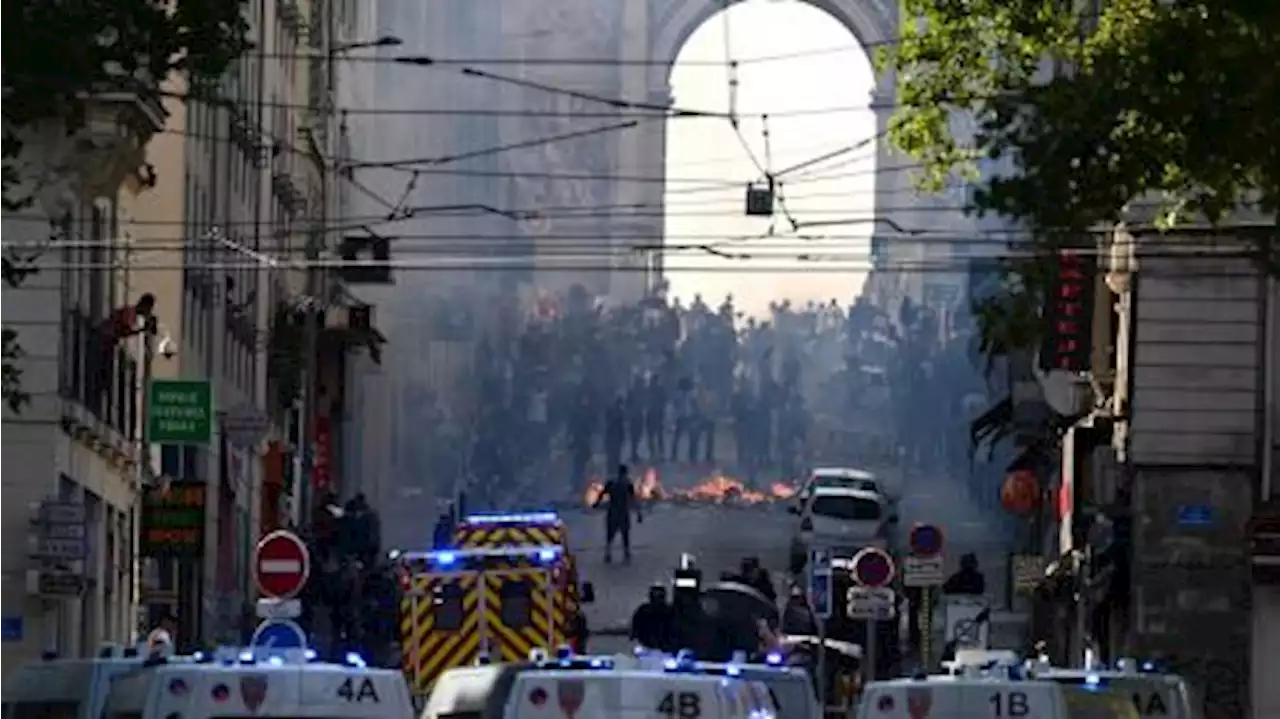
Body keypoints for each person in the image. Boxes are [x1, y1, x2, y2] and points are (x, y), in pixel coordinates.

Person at [593, 464, 643, 563]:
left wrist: (597, 504)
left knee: (610, 534)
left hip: (613, 511)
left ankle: (608, 553)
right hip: (623, 511)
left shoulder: (611, 483)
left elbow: (602, 493)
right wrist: (639, 513)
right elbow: (633, 499)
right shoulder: (628, 484)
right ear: (625, 473)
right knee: (625, 534)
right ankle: (626, 553)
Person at [630, 584, 673, 651]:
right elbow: (635, 627)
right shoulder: (643, 610)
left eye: (659, 595)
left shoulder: (669, 611)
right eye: (655, 595)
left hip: (664, 648)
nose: (657, 598)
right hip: (646, 647)